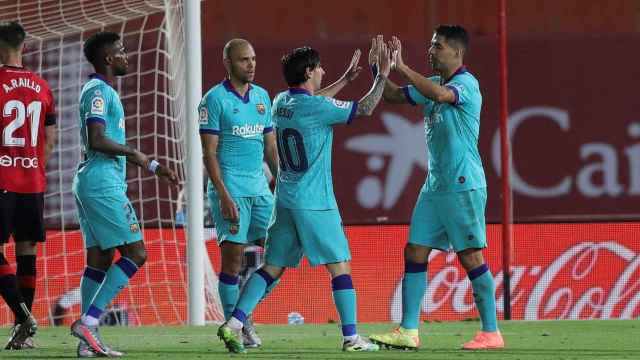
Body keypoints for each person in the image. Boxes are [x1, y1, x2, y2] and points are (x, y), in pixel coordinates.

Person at [217, 42, 391, 353]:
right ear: (309, 72)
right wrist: (381, 76)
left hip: (285, 199)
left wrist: (345, 80)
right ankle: (351, 338)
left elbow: (312, 101)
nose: (324, 71)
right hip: (315, 201)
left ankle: (234, 323)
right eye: (320, 67)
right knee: (341, 266)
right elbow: (364, 108)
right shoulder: (317, 108)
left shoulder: (280, 101)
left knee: (272, 267)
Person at [368, 26, 504, 350]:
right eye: (430, 46)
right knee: (415, 251)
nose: (431, 52)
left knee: (470, 257)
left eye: (437, 46)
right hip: (435, 186)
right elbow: (393, 96)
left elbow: (442, 96)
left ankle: (491, 332)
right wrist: (379, 70)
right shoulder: (434, 85)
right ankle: (409, 330)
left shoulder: (465, 85)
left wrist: (402, 68)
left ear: (457, 52)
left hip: (462, 185)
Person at [70, 31, 177, 357]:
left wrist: (153, 164)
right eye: (119, 51)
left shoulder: (100, 91)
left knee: (101, 259)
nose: (124, 55)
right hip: (102, 183)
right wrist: (141, 158)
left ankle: (87, 343)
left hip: (93, 180)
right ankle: (88, 321)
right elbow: (98, 138)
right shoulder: (98, 92)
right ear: (107, 58)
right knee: (137, 253)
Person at [198, 38, 279, 348]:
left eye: (254, 59)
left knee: (279, 254)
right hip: (230, 191)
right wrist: (223, 195)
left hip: (260, 191)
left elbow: (270, 146)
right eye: (244, 60)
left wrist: (282, 182)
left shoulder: (262, 97)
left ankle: (242, 316)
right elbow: (209, 153)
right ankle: (237, 328)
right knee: (232, 265)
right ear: (228, 63)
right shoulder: (213, 100)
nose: (252, 64)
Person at [0, 21, 56, 350]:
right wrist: (32, 166)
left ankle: (22, 318)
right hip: (32, 180)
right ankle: (24, 332)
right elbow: (49, 139)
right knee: (27, 250)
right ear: (23, 47)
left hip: (3, 178)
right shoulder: (41, 86)